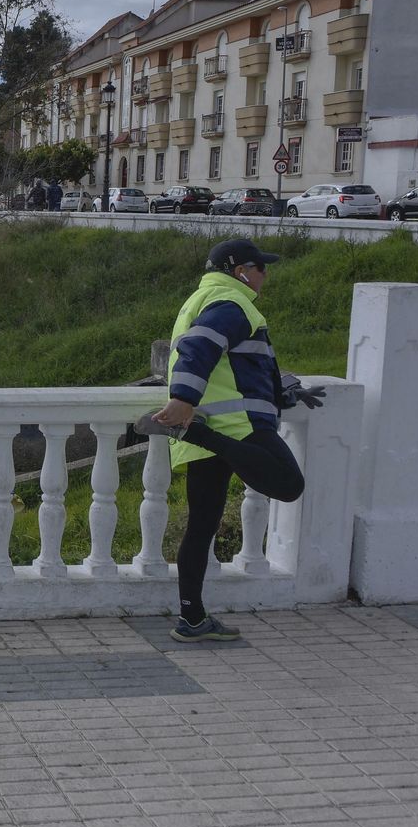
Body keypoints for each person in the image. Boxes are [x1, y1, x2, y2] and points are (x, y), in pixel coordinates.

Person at [133, 238, 325, 643]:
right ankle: (195, 431)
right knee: (289, 485)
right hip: (234, 425)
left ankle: (192, 619)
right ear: (240, 270)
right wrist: (184, 403)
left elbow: (235, 365)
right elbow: (199, 348)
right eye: (259, 266)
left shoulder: (201, 299)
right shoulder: (231, 302)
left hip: (215, 421)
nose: (264, 274)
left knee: (202, 524)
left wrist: (284, 393)